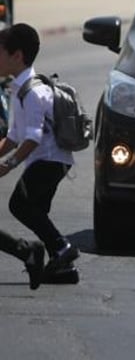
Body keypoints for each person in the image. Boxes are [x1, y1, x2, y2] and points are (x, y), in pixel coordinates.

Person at [0, 23, 73, 288]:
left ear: (17, 56)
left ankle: (62, 248)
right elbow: (14, 136)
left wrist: (8, 165)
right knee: (38, 211)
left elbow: (32, 137)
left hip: (48, 161)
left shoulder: (31, 92)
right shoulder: (20, 89)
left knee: (20, 205)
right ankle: (64, 268)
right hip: (51, 160)